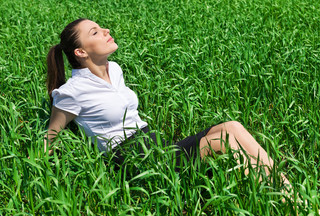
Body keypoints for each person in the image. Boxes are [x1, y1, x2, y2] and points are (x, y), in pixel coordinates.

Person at [45, 18, 291, 188]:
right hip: (133, 160)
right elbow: (51, 136)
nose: (106, 31)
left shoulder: (115, 69)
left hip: (155, 144)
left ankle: (285, 195)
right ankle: (289, 201)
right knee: (226, 140)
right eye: (95, 32)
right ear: (81, 52)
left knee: (233, 127)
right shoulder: (72, 92)